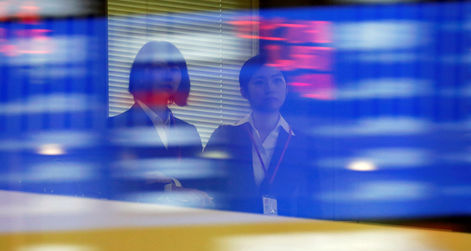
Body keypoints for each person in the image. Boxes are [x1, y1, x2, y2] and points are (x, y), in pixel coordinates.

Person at [204, 54, 315, 217]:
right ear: (243, 92)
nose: (270, 88)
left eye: (277, 80)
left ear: (286, 86)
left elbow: (314, 202)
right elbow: (205, 191)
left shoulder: (302, 142)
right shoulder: (225, 136)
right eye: (259, 82)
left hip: (288, 235)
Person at [108, 41, 211, 207]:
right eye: (160, 67)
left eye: (175, 68)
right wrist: (171, 190)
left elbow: (200, 188)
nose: (169, 74)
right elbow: (117, 185)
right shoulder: (114, 127)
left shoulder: (189, 132)